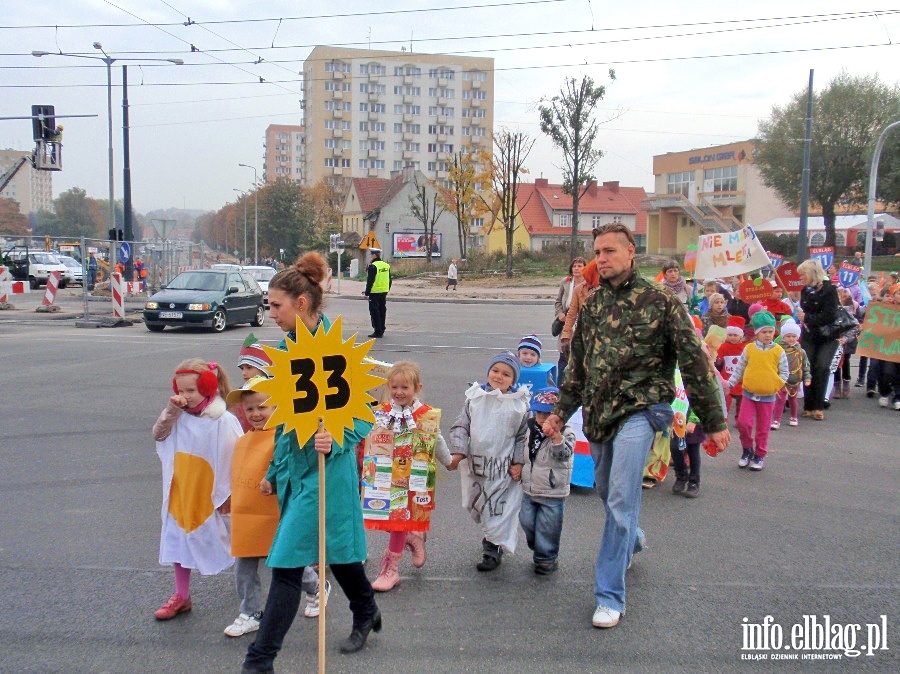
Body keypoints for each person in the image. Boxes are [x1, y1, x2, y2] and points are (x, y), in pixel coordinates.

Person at [543, 224, 729, 630]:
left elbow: (694, 362)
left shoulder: (660, 301)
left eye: (609, 250)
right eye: (597, 252)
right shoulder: (590, 305)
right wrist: (561, 410)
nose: (601, 258)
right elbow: (577, 367)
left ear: (631, 252)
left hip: (643, 412)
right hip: (600, 414)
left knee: (621, 500)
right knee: (609, 492)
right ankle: (633, 540)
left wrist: (713, 421)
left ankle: (609, 595)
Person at [242, 252, 380, 672]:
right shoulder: (285, 351)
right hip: (295, 473)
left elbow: (365, 413)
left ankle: (259, 661)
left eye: (276, 306)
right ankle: (366, 607)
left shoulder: (337, 350)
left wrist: (334, 440)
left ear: (301, 304)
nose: (271, 314)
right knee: (335, 554)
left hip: (327, 473)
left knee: (286, 560)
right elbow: (284, 424)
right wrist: (272, 471)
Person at [152, 358, 241, 620]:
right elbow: (159, 435)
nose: (184, 396)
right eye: (180, 391)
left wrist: (233, 492)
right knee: (179, 538)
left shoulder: (222, 420)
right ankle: (181, 595)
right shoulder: (177, 415)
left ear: (208, 386)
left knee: (235, 541)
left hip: (213, 492)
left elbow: (237, 457)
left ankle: (252, 595)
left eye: (191, 390)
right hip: (183, 490)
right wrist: (170, 412)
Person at [363, 361, 455, 592]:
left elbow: (437, 439)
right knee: (382, 516)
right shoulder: (382, 412)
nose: (399, 392)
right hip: (386, 475)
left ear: (417, 388)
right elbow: (367, 435)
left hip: (414, 478)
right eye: (394, 387)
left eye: (405, 387)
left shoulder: (424, 415)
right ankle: (412, 537)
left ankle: (390, 568)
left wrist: (448, 461)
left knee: (399, 519)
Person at [449, 352, 529, 572]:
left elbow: (523, 436)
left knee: (497, 509)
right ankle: (492, 538)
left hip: (501, 467)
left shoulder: (519, 405)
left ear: (514, 379)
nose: (499, 376)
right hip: (476, 466)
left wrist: (518, 462)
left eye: (506, 374)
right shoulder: (475, 398)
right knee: (476, 505)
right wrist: (458, 451)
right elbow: (461, 426)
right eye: (495, 371)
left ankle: (492, 549)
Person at [518, 387, 575, 574]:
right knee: (526, 521)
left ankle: (546, 558)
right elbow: (522, 451)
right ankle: (539, 546)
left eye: (548, 413)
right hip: (529, 488)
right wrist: (517, 465)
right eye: (539, 412)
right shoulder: (529, 429)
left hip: (553, 491)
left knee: (548, 527)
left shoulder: (566, 433)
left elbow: (564, 455)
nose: (542, 418)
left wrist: (556, 437)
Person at [724, 311, 788, 471]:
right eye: (764, 332)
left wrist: (775, 385)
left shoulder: (778, 351)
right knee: (743, 423)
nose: (768, 335)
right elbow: (739, 369)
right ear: (757, 333)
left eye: (770, 332)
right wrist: (730, 384)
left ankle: (759, 455)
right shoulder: (749, 349)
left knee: (763, 428)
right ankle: (747, 450)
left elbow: (785, 373)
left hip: (768, 396)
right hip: (749, 394)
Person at [797, 259, 840, 421]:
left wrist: (808, 317)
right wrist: (803, 318)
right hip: (809, 334)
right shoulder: (805, 291)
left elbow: (830, 314)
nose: (800, 278)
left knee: (821, 367)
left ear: (811, 274)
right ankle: (808, 405)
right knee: (807, 367)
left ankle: (818, 405)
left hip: (827, 335)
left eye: (802, 275)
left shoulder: (829, 290)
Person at [771, 319, 811, 429]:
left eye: (794, 336)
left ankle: (794, 417)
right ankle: (776, 420)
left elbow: (805, 366)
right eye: (788, 336)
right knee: (780, 400)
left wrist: (807, 377)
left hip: (795, 380)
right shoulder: (778, 349)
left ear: (797, 337)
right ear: (783, 337)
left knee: (793, 400)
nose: (791, 339)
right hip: (781, 380)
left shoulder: (800, 351)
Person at [554, 257, 586, 375]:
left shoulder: (589, 284)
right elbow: (558, 301)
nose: (576, 268)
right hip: (567, 324)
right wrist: (560, 314)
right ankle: (560, 387)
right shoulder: (566, 282)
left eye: (579, 266)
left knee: (579, 357)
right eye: (574, 266)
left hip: (581, 325)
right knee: (563, 357)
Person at [716, 316, 747, 422]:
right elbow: (718, 358)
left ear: (740, 336)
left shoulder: (745, 347)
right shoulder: (723, 346)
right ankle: (723, 418)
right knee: (725, 401)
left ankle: (740, 419)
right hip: (727, 379)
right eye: (730, 335)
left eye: (735, 335)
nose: (732, 337)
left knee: (741, 402)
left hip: (741, 380)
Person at [364, 248, 391, 338]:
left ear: (374, 255)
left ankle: (377, 331)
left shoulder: (373, 266)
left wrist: (366, 293)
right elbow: (390, 279)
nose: (371, 257)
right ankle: (382, 329)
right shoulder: (386, 265)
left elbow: (370, 281)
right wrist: (387, 289)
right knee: (382, 311)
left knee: (374, 312)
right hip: (383, 292)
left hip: (374, 292)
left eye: (371, 255)